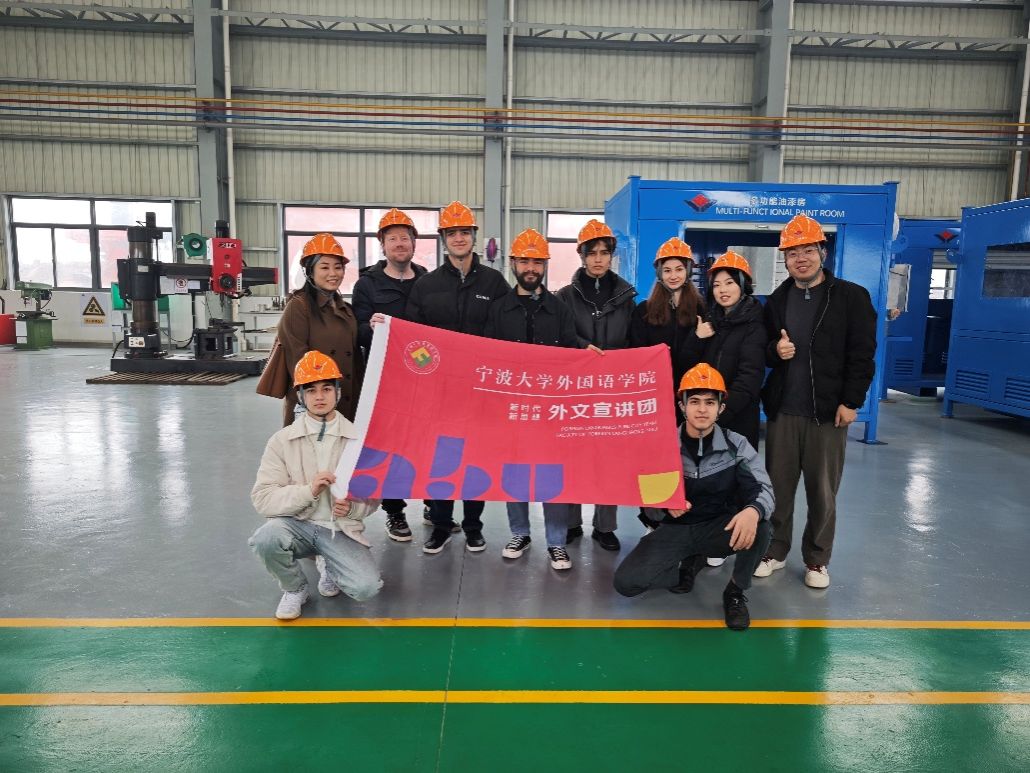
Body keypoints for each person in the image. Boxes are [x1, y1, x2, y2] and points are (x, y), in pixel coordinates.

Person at [753, 215, 877, 589]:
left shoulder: (851, 297)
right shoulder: (777, 301)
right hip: (784, 411)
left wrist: (851, 401)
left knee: (822, 492)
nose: (801, 259)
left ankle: (817, 559)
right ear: (785, 259)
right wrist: (775, 350)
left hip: (827, 413)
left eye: (808, 250)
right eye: (793, 253)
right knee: (778, 488)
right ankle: (774, 550)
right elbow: (763, 349)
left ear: (822, 252)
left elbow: (862, 354)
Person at [613, 363, 774, 630]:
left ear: (721, 408)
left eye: (710, 402)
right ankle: (687, 563)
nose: (702, 409)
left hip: (717, 528)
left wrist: (752, 511)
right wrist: (664, 504)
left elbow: (764, 488)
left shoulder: (737, 445)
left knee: (762, 527)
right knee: (626, 584)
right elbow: (646, 502)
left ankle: (735, 592)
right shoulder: (662, 446)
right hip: (674, 530)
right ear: (682, 406)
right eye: (695, 401)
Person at [406, 201, 510, 555]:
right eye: (452, 233)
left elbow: (505, 333)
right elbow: (414, 339)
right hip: (440, 391)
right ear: (443, 239)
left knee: (475, 459)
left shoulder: (494, 283)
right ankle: (440, 525)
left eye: (465, 232)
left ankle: (473, 527)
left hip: (480, 390)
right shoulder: (427, 285)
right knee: (441, 460)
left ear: (474, 237)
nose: (459, 238)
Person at [249, 351, 383, 620]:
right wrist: (308, 491)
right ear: (300, 396)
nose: (319, 397)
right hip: (297, 524)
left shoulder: (357, 441)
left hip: (339, 529)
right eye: (311, 390)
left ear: (337, 392)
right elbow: (263, 498)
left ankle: (330, 564)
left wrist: (353, 509)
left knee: (366, 587)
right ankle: (295, 589)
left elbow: (373, 498)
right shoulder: (282, 441)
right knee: (266, 538)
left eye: (326, 389)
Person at [484, 228, 579, 570]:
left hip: (550, 410)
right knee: (516, 472)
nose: (531, 268)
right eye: (524, 261)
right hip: (511, 409)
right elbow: (486, 356)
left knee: (552, 474)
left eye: (537, 262)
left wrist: (591, 356)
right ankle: (520, 533)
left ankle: (556, 541)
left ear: (544, 266)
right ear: (513, 263)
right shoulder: (499, 309)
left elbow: (572, 351)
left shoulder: (559, 309)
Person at [556, 218, 637, 551]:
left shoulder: (626, 297)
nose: (598, 259)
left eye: (604, 252)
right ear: (582, 256)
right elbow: (559, 336)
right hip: (575, 390)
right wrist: (581, 348)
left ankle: (605, 527)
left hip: (613, 390)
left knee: (609, 458)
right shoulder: (565, 297)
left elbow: (634, 341)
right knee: (572, 456)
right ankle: (571, 522)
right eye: (592, 253)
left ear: (611, 256)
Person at [351, 208, 428, 542]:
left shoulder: (428, 281)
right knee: (389, 447)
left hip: (425, 379)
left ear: (414, 243)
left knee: (427, 444)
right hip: (385, 381)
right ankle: (394, 511)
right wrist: (370, 328)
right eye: (392, 238)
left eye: (405, 238)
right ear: (382, 244)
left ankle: (434, 505)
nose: (399, 243)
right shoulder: (367, 285)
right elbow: (355, 329)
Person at [629, 236, 706, 535]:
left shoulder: (702, 309)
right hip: (654, 402)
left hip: (689, 401)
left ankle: (685, 521)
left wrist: (687, 347)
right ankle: (652, 519)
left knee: (689, 461)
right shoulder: (643, 311)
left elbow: (703, 358)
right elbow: (636, 355)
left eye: (679, 268)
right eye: (667, 269)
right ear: (659, 273)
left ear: (688, 270)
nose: (673, 275)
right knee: (653, 463)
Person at [276, 233, 362, 427]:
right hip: (314, 406)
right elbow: (298, 363)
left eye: (338, 267)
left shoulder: (346, 310)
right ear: (310, 272)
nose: (333, 273)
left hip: (347, 403)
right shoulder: (298, 307)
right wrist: (320, 401)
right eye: (324, 267)